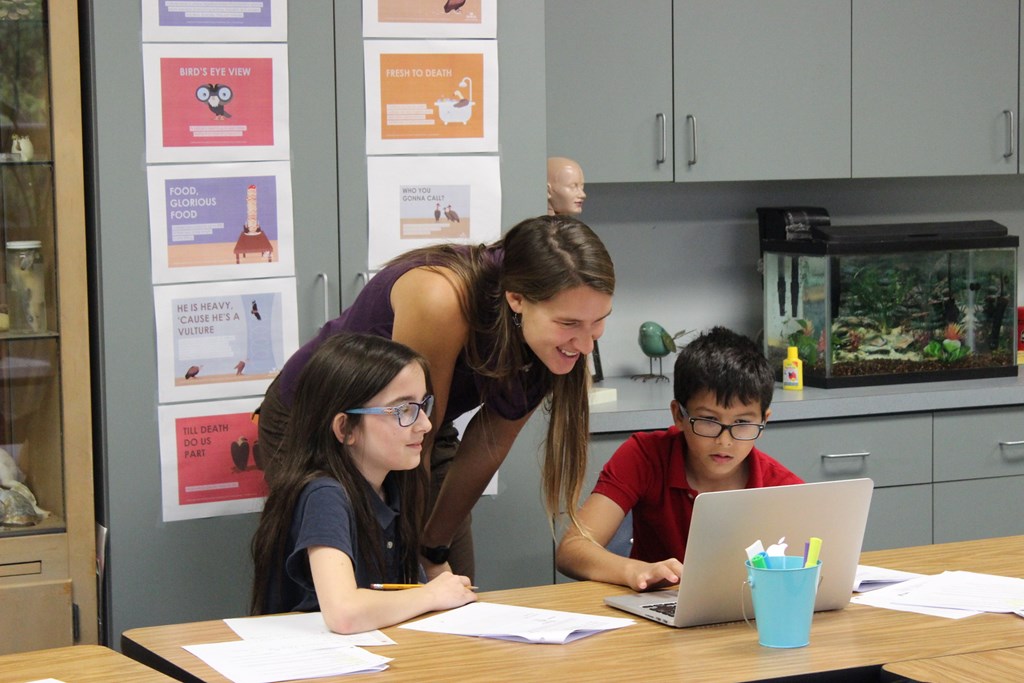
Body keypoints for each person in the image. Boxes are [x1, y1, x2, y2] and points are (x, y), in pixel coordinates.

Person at [257, 214, 615, 583]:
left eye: (599, 320)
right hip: (324, 420)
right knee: (364, 579)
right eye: (569, 324)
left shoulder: (550, 341)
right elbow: (413, 427)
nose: (586, 344)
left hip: (421, 421)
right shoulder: (441, 297)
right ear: (516, 300)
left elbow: (487, 443)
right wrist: (414, 564)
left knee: (453, 582)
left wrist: (434, 548)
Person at [249, 333, 477, 634]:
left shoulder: (395, 486)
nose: (425, 424)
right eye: (403, 411)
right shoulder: (324, 494)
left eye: (423, 406)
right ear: (345, 428)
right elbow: (344, 614)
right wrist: (432, 593)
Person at [556, 326, 803, 592]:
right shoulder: (645, 456)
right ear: (679, 415)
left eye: (742, 423)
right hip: (653, 614)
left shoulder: (784, 487)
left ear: (764, 420)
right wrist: (635, 570)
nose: (725, 440)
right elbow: (571, 549)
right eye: (708, 420)